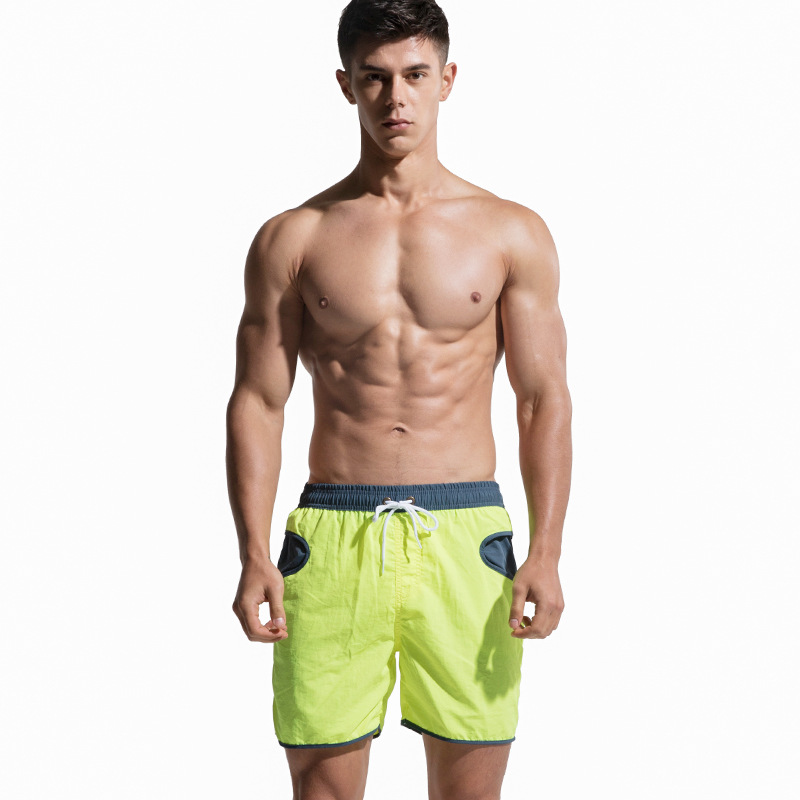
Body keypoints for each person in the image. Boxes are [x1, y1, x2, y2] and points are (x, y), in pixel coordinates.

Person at [226, 1, 572, 797]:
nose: (396, 98)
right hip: (333, 535)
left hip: (466, 535)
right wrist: (252, 556)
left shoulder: (510, 231)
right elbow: (258, 402)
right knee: (323, 791)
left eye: (415, 74)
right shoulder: (294, 237)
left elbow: (542, 399)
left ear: (447, 79)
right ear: (345, 84)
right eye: (375, 78)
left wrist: (547, 553)